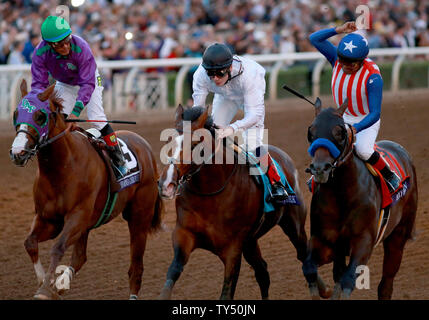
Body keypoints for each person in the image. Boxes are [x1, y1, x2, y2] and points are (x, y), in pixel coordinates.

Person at [309, 21, 400, 192]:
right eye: (343, 61)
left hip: (365, 121)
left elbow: (375, 113)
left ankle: (389, 175)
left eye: (351, 63)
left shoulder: (373, 77)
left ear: (362, 60)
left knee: (363, 150)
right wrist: (339, 30)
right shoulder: (336, 59)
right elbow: (314, 39)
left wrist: (355, 129)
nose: (346, 66)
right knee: (323, 142)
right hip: (342, 118)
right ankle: (317, 175)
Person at [31, 16, 128, 176]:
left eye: (67, 39)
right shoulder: (40, 54)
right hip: (65, 83)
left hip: (89, 80)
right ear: (49, 45)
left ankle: (118, 158)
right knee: (58, 120)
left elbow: (87, 85)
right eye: (59, 44)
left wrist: (76, 112)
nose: (66, 46)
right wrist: (38, 105)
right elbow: (38, 86)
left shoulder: (81, 47)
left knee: (96, 118)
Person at [191, 43, 288, 202]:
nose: (215, 78)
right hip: (224, 97)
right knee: (212, 134)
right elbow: (198, 110)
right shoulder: (200, 74)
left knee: (252, 143)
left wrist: (232, 128)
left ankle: (276, 183)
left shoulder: (250, 75)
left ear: (229, 68)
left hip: (249, 97)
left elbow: (254, 115)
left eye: (219, 73)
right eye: (211, 73)